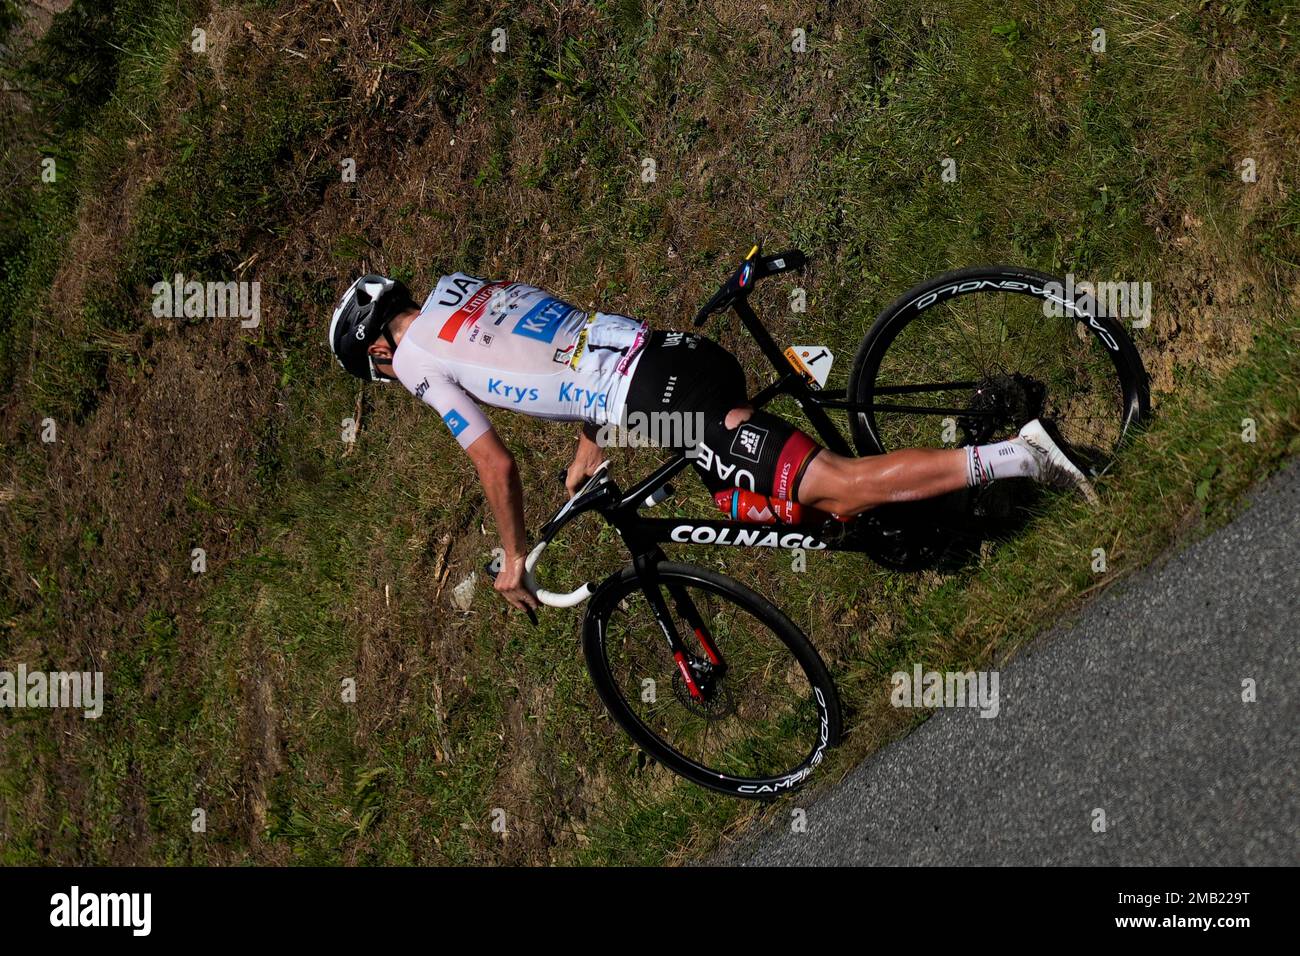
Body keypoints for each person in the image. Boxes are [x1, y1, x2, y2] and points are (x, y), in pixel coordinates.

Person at [328, 273, 1097, 611]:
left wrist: (515, 554)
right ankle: (943, 528)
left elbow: (493, 462)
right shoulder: (462, 293)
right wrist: (591, 443)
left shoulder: (420, 358)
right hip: (671, 362)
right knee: (733, 497)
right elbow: (557, 351)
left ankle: (1023, 456)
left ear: (377, 356)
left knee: (837, 484)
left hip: (659, 394)